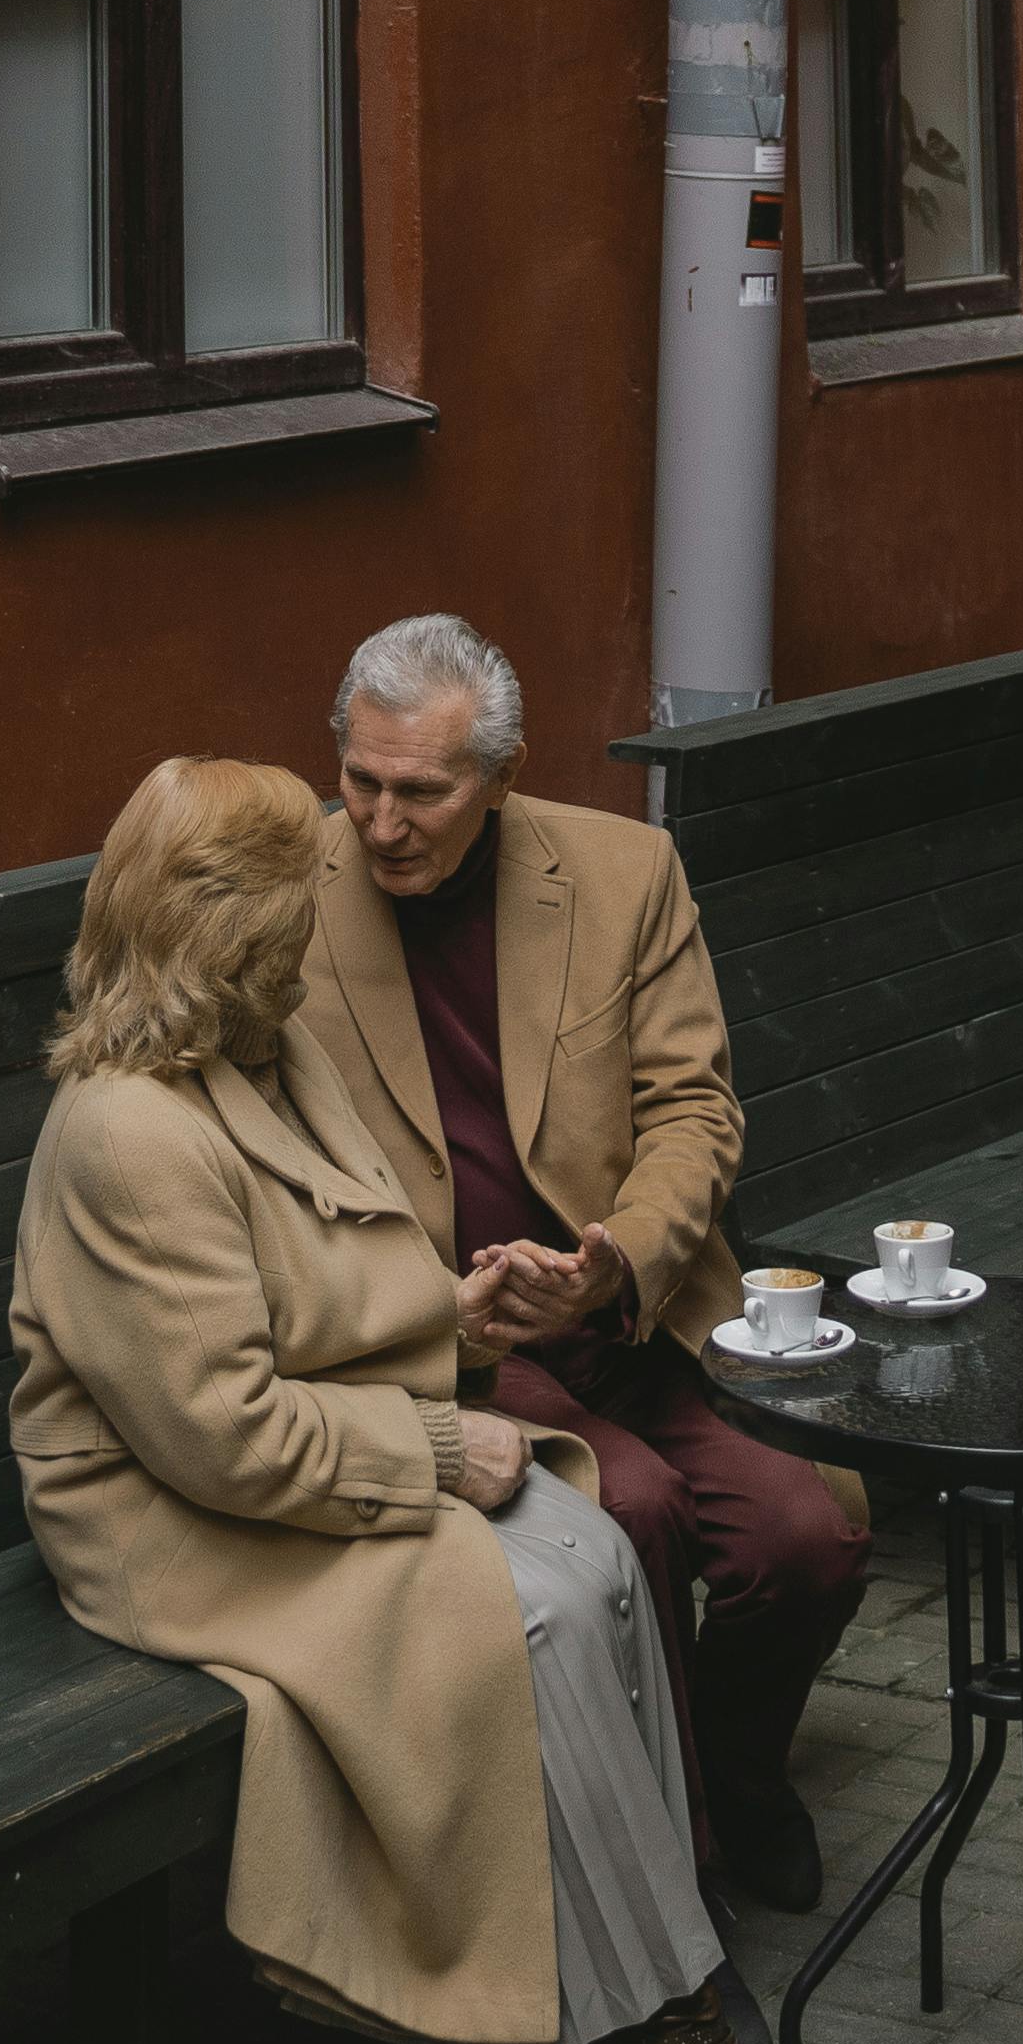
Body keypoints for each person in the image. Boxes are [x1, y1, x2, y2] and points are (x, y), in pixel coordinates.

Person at [10, 755, 852, 2044]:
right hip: (168, 1516)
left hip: (302, 1447)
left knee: (588, 1555)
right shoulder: (126, 1130)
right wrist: (435, 1445)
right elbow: (215, 1436)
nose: (314, 936)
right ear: (228, 934)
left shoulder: (259, 1057)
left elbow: (324, 1288)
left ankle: (648, 1966)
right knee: (517, 1614)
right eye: (288, 917)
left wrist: (440, 1323)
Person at [297, 613, 869, 1916]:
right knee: (632, 1517)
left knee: (807, 1533)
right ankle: (672, 1882)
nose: (382, 821)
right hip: (453, 1341)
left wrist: (615, 1259)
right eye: (360, 780)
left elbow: (692, 1111)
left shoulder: (621, 871)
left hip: (633, 1314)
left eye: (421, 792)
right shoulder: (286, 903)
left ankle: (730, 1772)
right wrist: (443, 1310)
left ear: (498, 780)